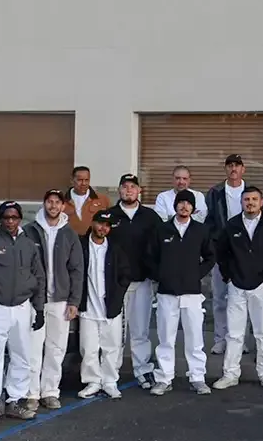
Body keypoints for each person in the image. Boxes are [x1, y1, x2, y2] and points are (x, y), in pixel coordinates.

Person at [0, 201, 46, 425]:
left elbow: (39, 277)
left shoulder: (29, 245)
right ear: (0, 220)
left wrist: (39, 308)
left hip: (22, 307)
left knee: (22, 356)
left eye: (14, 217)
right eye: (6, 217)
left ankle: (15, 400)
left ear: (20, 219)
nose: (10, 221)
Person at [214, 186, 263, 390]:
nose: (250, 203)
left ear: (262, 202)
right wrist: (229, 276)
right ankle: (230, 373)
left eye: (254, 199)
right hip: (237, 285)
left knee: (262, 332)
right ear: (241, 203)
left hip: (261, 285)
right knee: (234, 334)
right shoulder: (232, 225)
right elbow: (221, 253)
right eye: (246, 200)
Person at [148, 190, 215, 396]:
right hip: (167, 293)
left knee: (195, 339)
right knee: (166, 339)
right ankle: (164, 378)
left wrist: (196, 274)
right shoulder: (162, 229)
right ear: (175, 206)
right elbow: (150, 257)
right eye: (181, 203)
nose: (184, 207)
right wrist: (161, 276)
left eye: (188, 204)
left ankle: (197, 377)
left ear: (193, 208)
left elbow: (211, 256)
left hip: (192, 293)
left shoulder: (201, 231)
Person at [23, 189, 84, 411]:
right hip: (35, 301)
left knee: (56, 348)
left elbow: (77, 269)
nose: (53, 206)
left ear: (63, 206)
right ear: (44, 204)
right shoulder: (29, 231)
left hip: (60, 300)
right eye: (49, 201)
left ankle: (50, 391)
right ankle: (31, 393)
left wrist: (73, 301)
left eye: (57, 202)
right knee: (32, 348)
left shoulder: (69, 235)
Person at [104, 174, 164, 388]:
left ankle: (142, 369)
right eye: (125, 187)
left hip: (143, 281)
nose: (128, 190)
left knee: (140, 330)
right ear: (119, 190)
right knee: (115, 332)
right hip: (117, 284)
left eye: (132, 186)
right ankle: (111, 373)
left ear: (140, 191)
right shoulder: (108, 216)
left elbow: (160, 247)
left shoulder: (150, 217)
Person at [77, 211, 133, 400]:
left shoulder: (115, 248)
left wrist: (118, 294)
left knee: (112, 346)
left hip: (111, 307)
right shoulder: (81, 245)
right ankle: (93, 381)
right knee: (88, 347)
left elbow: (126, 273)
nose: (103, 228)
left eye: (107, 226)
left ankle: (109, 381)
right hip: (88, 307)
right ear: (93, 223)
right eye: (101, 224)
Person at [204, 154, 250, 355]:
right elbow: (209, 221)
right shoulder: (215, 193)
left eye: (237, 166)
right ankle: (220, 338)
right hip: (221, 250)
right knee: (220, 297)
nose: (233, 169)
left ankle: (242, 340)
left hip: (244, 252)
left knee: (243, 298)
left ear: (243, 169)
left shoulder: (250, 192)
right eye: (230, 165)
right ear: (225, 169)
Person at [65, 165, 110, 236]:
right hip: (70, 243)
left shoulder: (102, 200)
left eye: (86, 180)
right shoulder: (61, 201)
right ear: (72, 180)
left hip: (94, 243)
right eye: (80, 180)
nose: (83, 183)